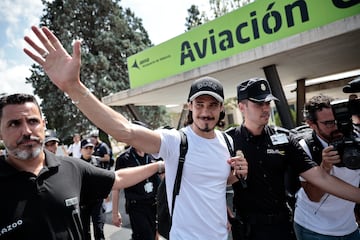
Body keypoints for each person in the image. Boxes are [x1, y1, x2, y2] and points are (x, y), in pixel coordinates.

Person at [23, 25, 248, 240]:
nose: (205, 112)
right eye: (200, 105)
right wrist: (74, 87)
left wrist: (238, 173)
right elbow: (126, 131)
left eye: (212, 105)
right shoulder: (176, 141)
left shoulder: (226, 141)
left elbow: (219, 181)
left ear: (221, 108)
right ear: (190, 106)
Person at [0, 93, 165, 239]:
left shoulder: (71, 168)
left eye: (32, 121)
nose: (26, 131)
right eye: (14, 124)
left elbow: (118, 178)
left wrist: (159, 165)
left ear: (43, 125)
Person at [226, 77, 360, 240]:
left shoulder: (285, 139)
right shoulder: (227, 141)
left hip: (283, 228)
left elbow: (319, 177)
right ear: (241, 107)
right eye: (258, 104)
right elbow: (210, 183)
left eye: (267, 103)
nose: (265, 109)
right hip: (247, 231)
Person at [293, 94, 360, 240]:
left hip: (349, 227)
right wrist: (325, 167)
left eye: (338, 120)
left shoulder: (356, 138)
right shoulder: (305, 148)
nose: (336, 127)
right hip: (314, 229)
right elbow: (314, 196)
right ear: (311, 124)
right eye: (328, 123)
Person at [112, 121, 160, 240]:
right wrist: (115, 212)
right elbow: (116, 187)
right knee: (145, 236)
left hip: (154, 205)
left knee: (155, 235)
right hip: (136, 206)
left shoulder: (153, 155)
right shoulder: (124, 159)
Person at [79, 138, 106, 240]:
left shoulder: (97, 161)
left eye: (91, 147)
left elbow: (104, 178)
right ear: (81, 149)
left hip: (97, 201)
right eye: (86, 148)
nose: (89, 150)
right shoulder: (77, 163)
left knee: (99, 229)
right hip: (84, 202)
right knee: (85, 231)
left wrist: (105, 193)